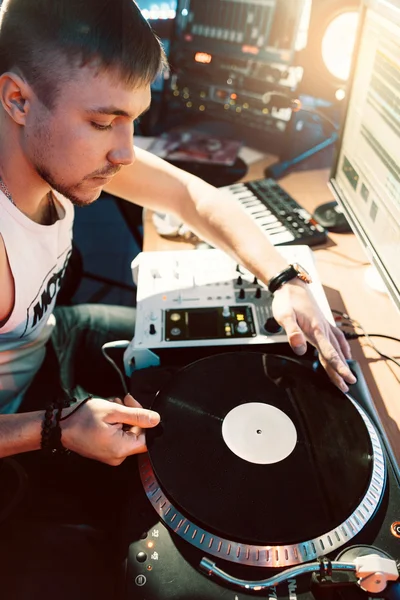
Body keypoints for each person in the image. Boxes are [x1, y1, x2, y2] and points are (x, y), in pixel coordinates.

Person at [0, 0, 356, 466]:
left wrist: (285, 280)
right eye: (104, 123)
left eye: (133, 120)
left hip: (48, 339)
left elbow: (192, 196)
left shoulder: (60, 155)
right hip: (17, 424)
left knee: (231, 357)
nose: (126, 153)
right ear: (18, 100)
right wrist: (57, 428)